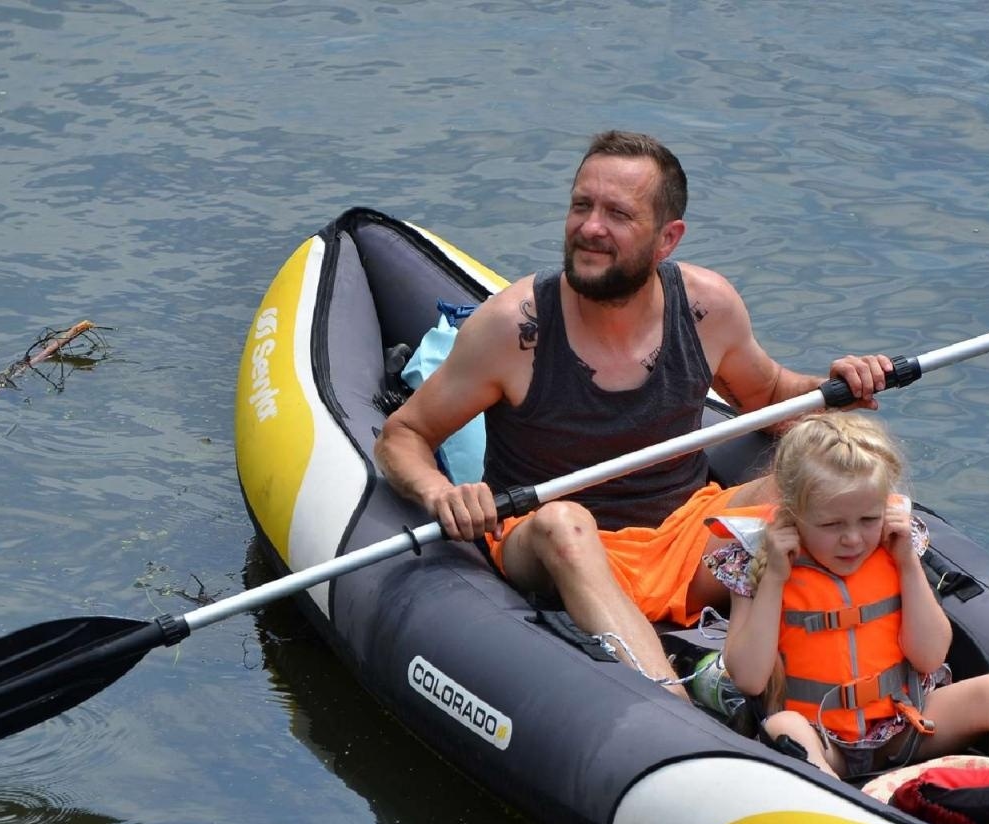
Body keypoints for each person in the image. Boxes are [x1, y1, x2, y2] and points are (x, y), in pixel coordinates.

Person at [374, 131, 892, 696]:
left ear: (667, 238)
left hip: (688, 534)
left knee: (828, 483)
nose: (590, 227)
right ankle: (670, 703)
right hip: (554, 541)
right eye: (581, 205)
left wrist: (837, 387)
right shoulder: (513, 329)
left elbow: (769, 395)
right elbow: (405, 435)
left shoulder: (706, 307)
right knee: (564, 524)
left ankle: (860, 670)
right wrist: (441, 494)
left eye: (618, 214)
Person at [711, 412, 989, 779]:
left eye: (868, 519)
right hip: (823, 741)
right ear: (793, 513)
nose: (853, 539)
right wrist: (774, 581)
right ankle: (843, 809)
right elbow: (750, 679)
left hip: (906, 724)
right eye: (832, 525)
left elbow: (929, 657)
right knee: (784, 726)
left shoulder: (897, 547)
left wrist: (907, 564)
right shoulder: (756, 562)